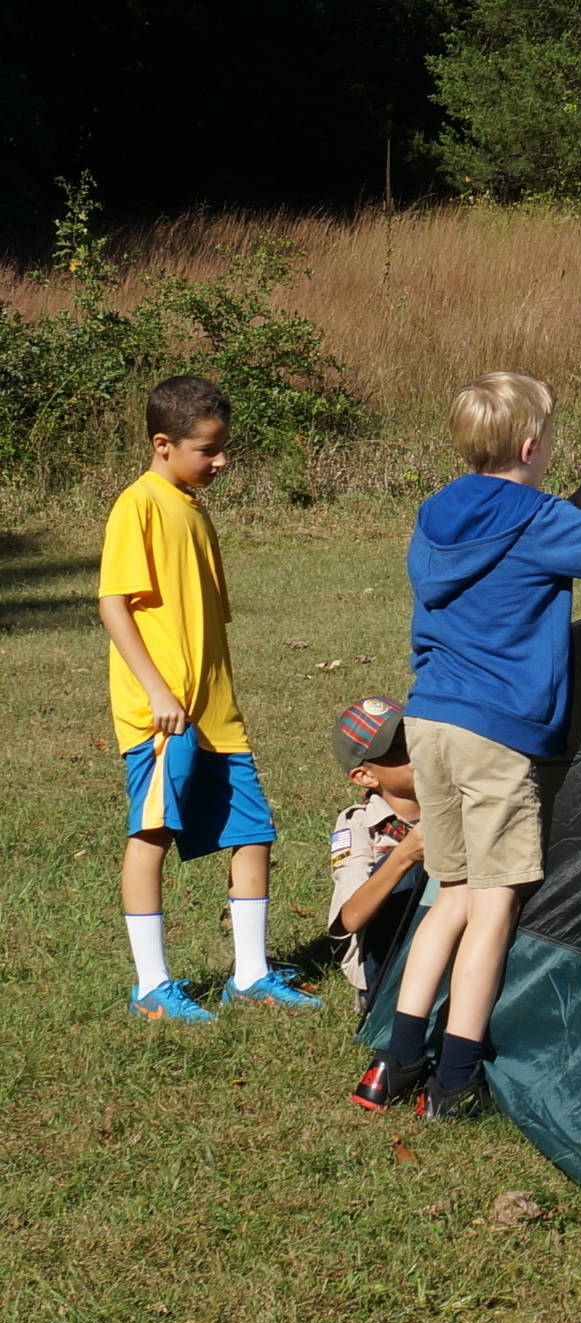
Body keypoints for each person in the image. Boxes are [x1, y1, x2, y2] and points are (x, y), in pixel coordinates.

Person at [349, 371, 581, 1119]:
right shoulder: (536, 520)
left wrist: (567, 509)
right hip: (495, 731)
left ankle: (394, 1062)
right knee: (495, 904)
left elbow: (497, 557)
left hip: (431, 722)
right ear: (532, 444)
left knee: (453, 892)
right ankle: (454, 1081)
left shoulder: (438, 512)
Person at [98, 374, 322, 1021]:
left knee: (254, 834)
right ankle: (151, 987)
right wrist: (158, 689)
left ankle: (249, 974)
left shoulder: (192, 506)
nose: (221, 460)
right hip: (164, 716)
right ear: (163, 444)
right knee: (153, 833)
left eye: (223, 448)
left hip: (217, 714)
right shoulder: (137, 504)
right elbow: (114, 606)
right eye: (208, 450)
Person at [326, 696, 426, 1021]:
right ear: (365, 777)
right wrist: (406, 854)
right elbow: (351, 918)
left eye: (416, 738)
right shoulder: (359, 825)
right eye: (398, 751)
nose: (415, 753)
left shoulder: (454, 800)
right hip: (387, 971)